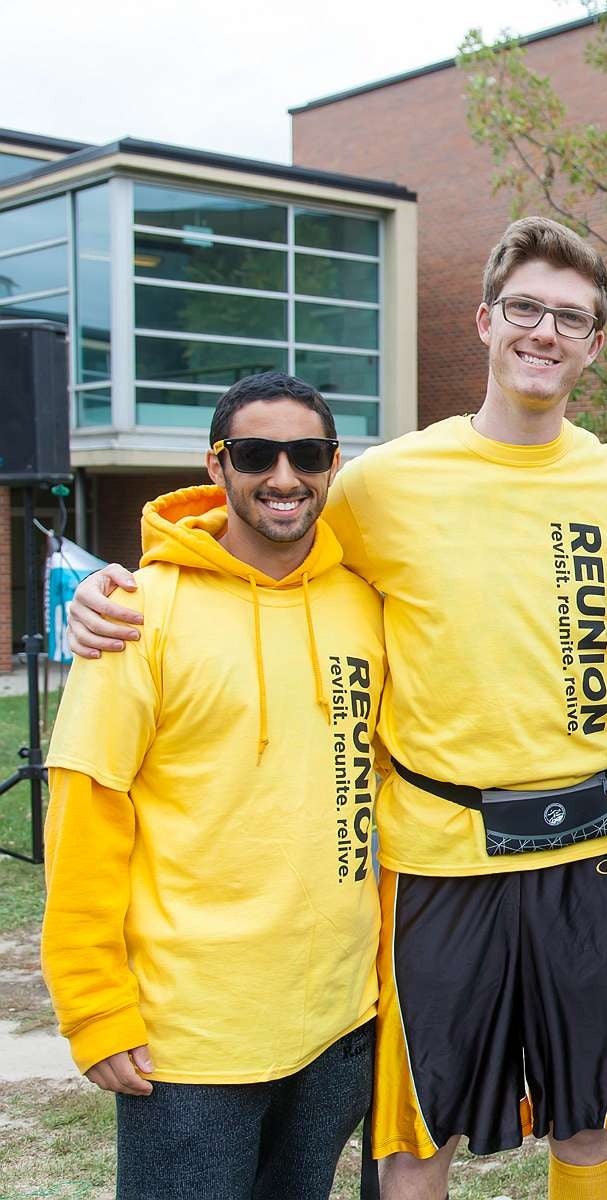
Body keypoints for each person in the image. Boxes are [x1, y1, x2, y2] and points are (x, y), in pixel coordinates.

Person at [64, 217, 607, 1200]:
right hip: (434, 854)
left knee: (586, 1121)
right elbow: (260, 518)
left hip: (590, 849)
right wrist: (124, 581)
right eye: (525, 308)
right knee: (416, 1139)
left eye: (571, 317)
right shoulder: (384, 482)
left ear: (596, 342)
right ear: (484, 321)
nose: (544, 332)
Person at [42, 372, 385, 1199]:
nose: (282, 476)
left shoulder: (365, 602)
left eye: (306, 454)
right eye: (256, 453)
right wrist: (93, 1003)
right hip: (191, 1033)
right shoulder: (137, 613)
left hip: (340, 1016)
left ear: (332, 464)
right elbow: (88, 808)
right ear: (216, 464)